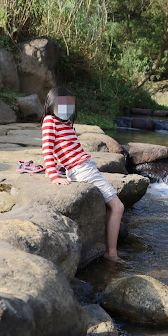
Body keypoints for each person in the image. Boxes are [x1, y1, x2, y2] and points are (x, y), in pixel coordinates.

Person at [42, 87, 125, 263]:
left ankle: (111, 250)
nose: (67, 110)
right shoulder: (50, 121)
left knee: (114, 206)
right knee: (118, 207)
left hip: (86, 167)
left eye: (70, 106)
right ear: (51, 106)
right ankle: (111, 254)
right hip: (82, 170)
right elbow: (47, 149)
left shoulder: (65, 124)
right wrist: (53, 175)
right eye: (63, 106)